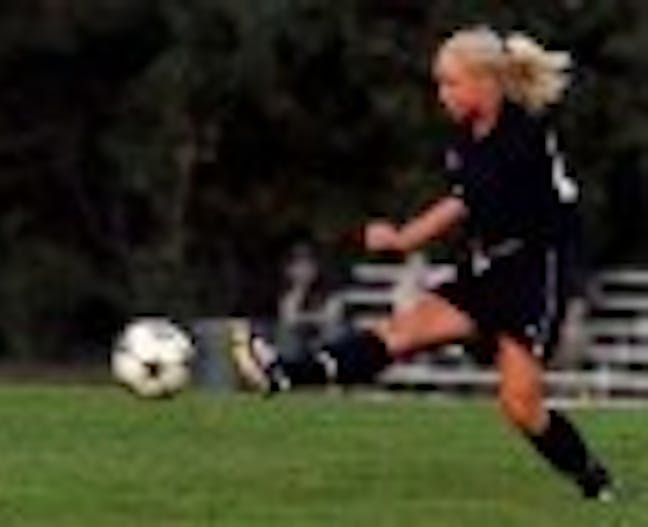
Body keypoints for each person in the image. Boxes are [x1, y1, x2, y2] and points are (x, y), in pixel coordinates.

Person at [233, 27, 614, 500]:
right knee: (402, 332)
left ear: (485, 82)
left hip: (536, 275)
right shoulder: (467, 138)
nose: (442, 94)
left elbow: (460, 205)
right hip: (490, 268)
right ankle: (283, 373)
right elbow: (465, 200)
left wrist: (402, 238)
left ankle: (594, 482)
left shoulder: (520, 137)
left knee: (521, 407)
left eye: (451, 83)